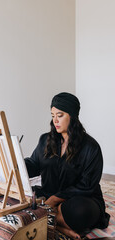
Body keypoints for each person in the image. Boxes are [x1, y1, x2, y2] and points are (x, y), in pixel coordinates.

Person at [25, 92, 110, 239]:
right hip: (48, 195)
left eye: (60, 115)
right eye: (53, 116)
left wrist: (55, 199)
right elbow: (33, 164)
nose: (55, 120)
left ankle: (47, 217)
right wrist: (15, 165)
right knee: (22, 200)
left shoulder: (91, 147)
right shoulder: (45, 140)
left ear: (72, 116)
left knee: (80, 212)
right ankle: (59, 225)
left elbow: (87, 185)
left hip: (80, 199)